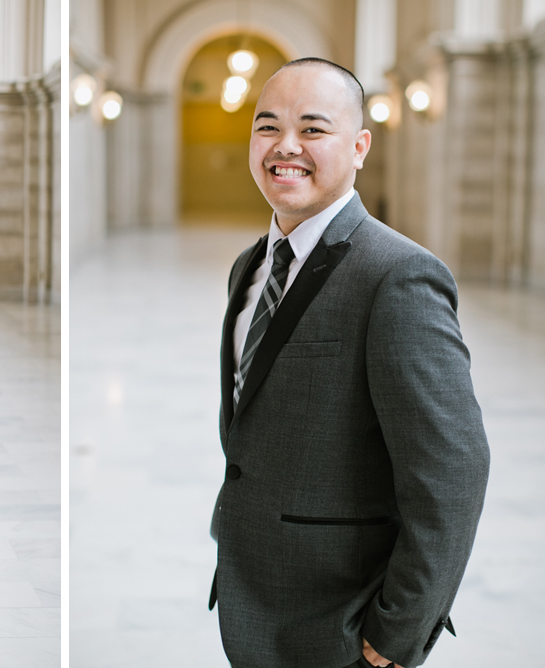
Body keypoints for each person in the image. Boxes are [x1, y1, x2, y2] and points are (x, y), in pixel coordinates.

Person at [207, 59, 490, 668]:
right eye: (267, 127)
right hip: (255, 604)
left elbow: (453, 471)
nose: (286, 147)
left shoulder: (397, 276)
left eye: (313, 129)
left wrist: (393, 638)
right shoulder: (250, 267)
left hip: (343, 624)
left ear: (359, 146)